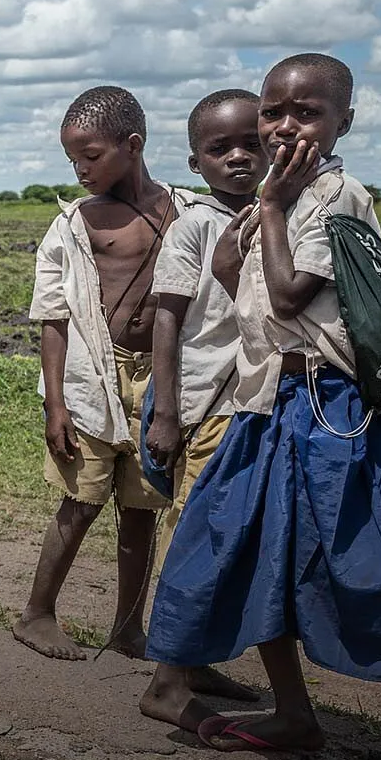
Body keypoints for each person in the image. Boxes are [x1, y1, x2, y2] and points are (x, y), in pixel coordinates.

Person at [146, 54, 381, 760]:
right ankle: (293, 712)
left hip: (328, 407)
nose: (286, 125)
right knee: (253, 554)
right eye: (273, 111)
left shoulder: (334, 194)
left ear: (343, 121)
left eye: (308, 112)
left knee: (358, 567)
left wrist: (272, 210)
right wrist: (256, 225)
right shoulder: (277, 196)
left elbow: (288, 296)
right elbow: (238, 285)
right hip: (262, 401)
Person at [13, 85, 185, 661]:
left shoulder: (185, 214)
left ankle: (129, 627)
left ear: (133, 146)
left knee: (142, 507)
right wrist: (55, 402)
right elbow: (53, 316)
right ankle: (36, 615)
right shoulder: (74, 224)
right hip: (92, 376)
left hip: (161, 378)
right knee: (81, 500)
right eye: (73, 160)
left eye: (91, 156)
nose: (81, 170)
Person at [135, 90, 270, 720]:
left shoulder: (288, 217)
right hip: (205, 408)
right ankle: (167, 681)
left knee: (242, 540)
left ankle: (190, 662)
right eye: (221, 149)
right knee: (196, 538)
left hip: (264, 408)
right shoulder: (196, 226)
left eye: (252, 143)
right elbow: (167, 320)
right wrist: (164, 411)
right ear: (196, 163)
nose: (240, 158)